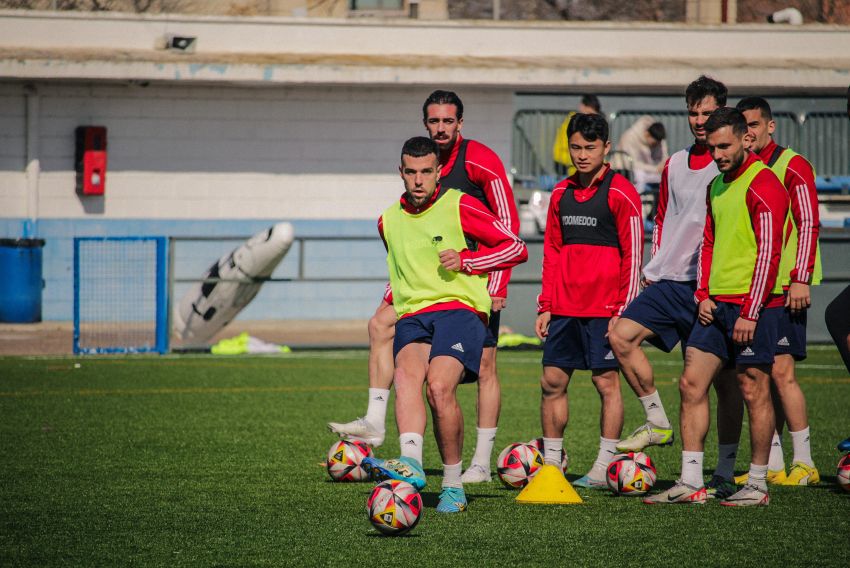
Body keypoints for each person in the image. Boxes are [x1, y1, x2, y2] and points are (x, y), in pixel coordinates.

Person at [328, 90, 520, 483]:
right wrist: (394, 293)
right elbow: (405, 253)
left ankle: (480, 463)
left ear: (460, 123)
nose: (441, 128)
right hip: (423, 296)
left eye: (448, 121)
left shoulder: (480, 164)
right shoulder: (395, 210)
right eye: (434, 121)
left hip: (471, 286)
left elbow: (508, 229)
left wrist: (491, 278)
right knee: (381, 328)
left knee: (482, 368)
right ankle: (382, 428)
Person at [362, 136, 527, 513]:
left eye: (426, 172)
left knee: (438, 388)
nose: (418, 180)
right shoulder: (387, 220)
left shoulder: (460, 204)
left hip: (460, 310)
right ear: (400, 173)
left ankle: (453, 484)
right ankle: (412, 463)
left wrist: (468, 261)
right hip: (414, 315)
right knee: (406, 377)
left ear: (439, 173)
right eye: (410, 172)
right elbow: (403, 272)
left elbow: (516, 247)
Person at [643, 107, 789, 507]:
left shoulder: (765, 184)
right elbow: (708, 242)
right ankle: (691, 482)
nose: (718, 154)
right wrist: (703, 293)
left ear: (746, 139)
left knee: (752, 388)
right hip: (715, 305)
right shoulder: (718, 185)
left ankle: (757, 485)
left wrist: (751, 310)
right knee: (691, 384)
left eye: (724, 146)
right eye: (712, 147)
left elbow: (768, 254)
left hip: (755, 307)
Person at [608, 76, 725, 482]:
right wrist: (651, 268)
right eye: (692, 112)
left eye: (706, 112)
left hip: (708, 288)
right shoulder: (674, 162)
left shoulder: (730, 163)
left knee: (720, 385)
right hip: (669, 282)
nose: (698, 120)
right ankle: (657, 422)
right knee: (621, 335)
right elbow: (661, 219)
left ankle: (725, 471)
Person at [711, 96, 823, 487]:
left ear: (769, 126)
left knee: (781, 371)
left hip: (786, 285)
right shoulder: (744, 172)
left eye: (755, 125)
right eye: (746, 126)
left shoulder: (791, 165)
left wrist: (801, 276)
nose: (751, 132)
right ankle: (774, 462)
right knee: (760, 373)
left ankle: (805, 462)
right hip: (760, 287)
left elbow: (808, 222)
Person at [534, 113, 643, 489]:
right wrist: (545, 304)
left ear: (606, 148)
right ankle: (551, 465)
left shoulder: (620, 192)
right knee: (551, 381)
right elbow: (551, 249)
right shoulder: (561, 194)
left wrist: (623, 311)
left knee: (605, 383)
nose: (582, 155)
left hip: (605, 310)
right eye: (576, 147)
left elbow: (634, 254)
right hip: (563, 307)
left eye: (590, 148)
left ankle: (603, 466)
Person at [616, 116, 668, 193]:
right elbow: (629, 164)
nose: (656, 146)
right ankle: (637, 200)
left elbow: (664, 158)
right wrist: (655, 169)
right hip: (626, 172)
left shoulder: (659, 139)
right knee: (639, 175)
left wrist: (663, 166)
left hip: (651, 174)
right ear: (647, 134)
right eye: (654, 144)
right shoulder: (630, 137)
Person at [553, 94, 601, 177]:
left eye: (593, 116)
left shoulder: (593, 124)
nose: (590, 118)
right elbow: (560, 152)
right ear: (582, 107)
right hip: (573, 170)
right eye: (589, 113)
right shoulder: (571, 124)